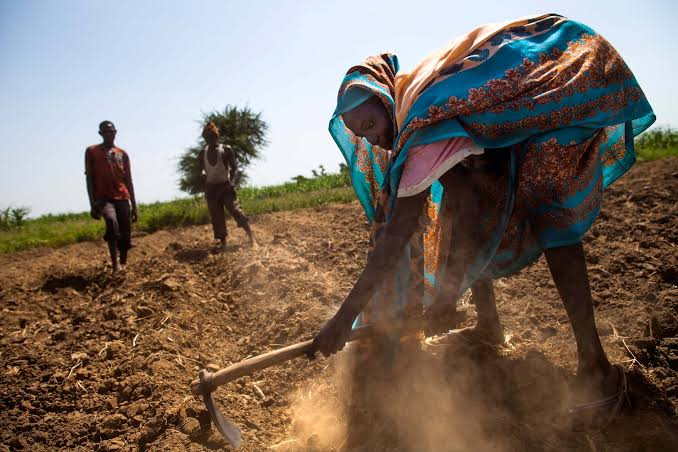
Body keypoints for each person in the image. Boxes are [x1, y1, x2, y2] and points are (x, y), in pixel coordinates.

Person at [307, 13, 655, 425]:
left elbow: (395, 238)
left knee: (548, 210)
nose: (371, 137)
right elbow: (465, 195)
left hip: (559, 82)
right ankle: (489, 323)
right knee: (464, 200)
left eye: (371, 123)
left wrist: (344, 319)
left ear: (386, 100)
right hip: (531, 102)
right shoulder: (415, 110)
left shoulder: (419, 130)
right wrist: (446, 296)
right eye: (360, 133)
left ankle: (597, 368)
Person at [85, 121, 138, 273]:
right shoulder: (92, 151)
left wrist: (134, 205)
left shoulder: (122, 154)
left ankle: (123, 263)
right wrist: (92, 204)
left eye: (111, 131)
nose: (109, 134)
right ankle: (115, 265)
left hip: (122, 196)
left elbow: (128, 180)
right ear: (100, 134)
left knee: (125, 231)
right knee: (110, 221)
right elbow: (89, 178)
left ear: (115, 132)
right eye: (105, 132)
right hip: (103, 197)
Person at [198, 122, 254, 250]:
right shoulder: (202, 153)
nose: (209, 141)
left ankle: (252, 238)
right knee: (216, 216)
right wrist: (202, 174)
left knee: (236, 210)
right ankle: (224, 244)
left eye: (211, 138)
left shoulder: (226, 150)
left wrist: (232, 183)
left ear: (216, 137)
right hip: (211, 189)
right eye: (206, 139)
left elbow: (234, 169)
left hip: (225, 186)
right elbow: (200, 169)